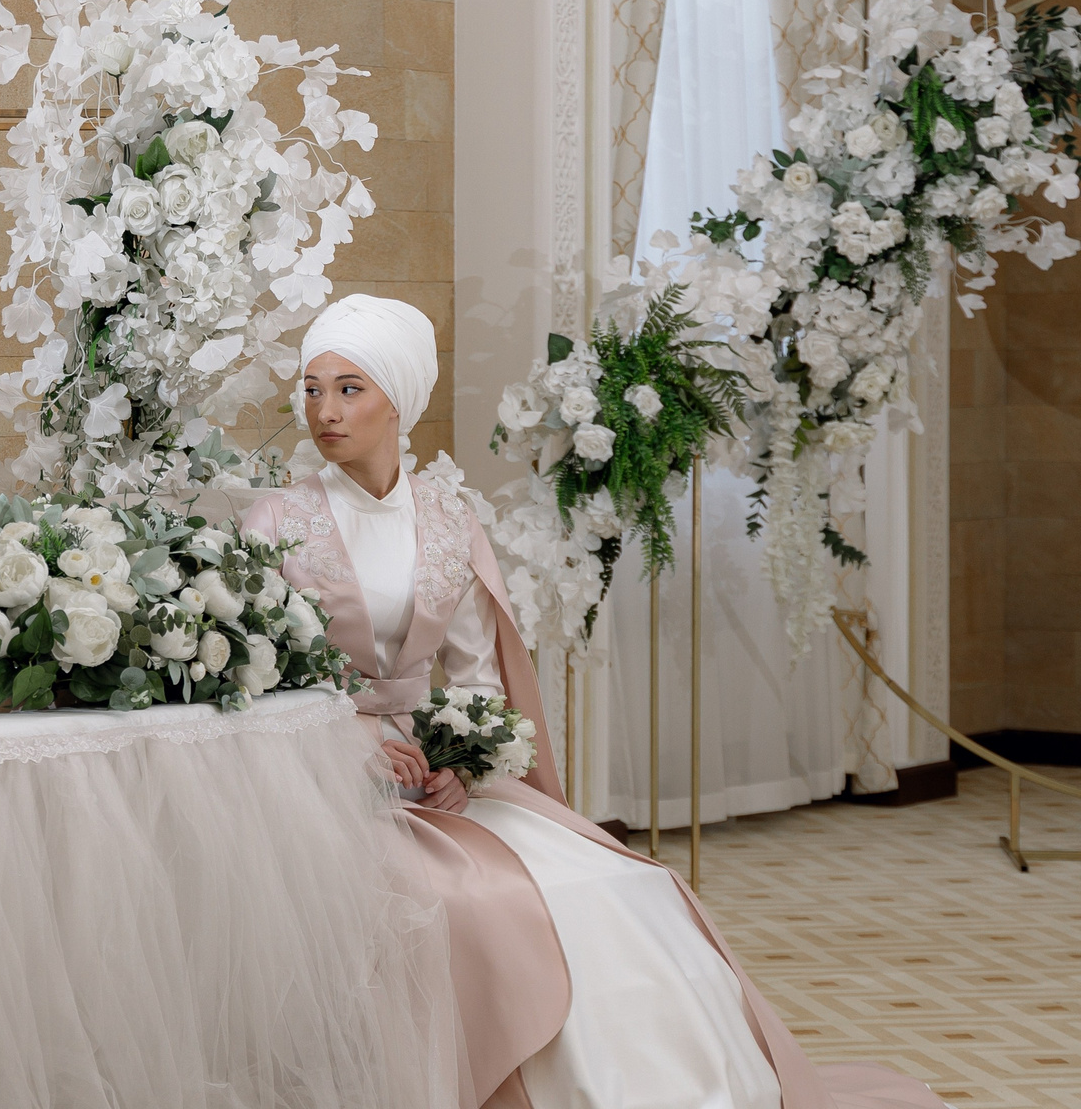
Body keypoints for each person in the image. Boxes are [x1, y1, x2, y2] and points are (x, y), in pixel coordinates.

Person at [241, 294, 943, 1109]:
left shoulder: (448, 521)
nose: (324, 412)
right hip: (317, 772)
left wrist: (460, 762)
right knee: (472, 900)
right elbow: (259, 680)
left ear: (399, 400)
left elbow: (477, 679)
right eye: (313, 389)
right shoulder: (276, 521)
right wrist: (350, 750)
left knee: (618, 883)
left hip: (434, 775)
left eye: (349, 389)